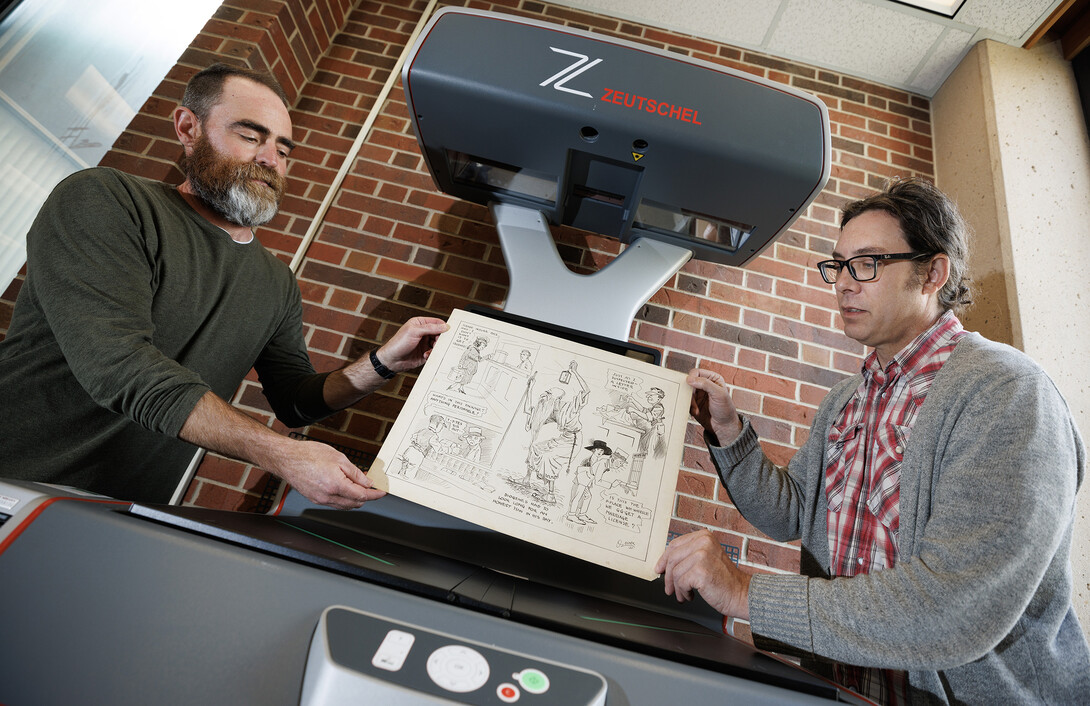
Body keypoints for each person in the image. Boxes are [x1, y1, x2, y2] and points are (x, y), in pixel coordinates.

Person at [655, 177, 1089, 704]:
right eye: (837, 265)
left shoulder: (1007, 392)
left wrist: (746, 593)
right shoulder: (846, 398)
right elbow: (790, 513)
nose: (843, 283)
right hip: (847, 689)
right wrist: (727, 430)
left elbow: (954, 608)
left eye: (867, 264)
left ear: (933, 272)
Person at [0, 63, 448, 509]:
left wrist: (382, 363)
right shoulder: (107, 199)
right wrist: (283, 455)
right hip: (13, 485)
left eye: (283, 149)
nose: (270, 159)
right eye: (251, 137)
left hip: (118, 515)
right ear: (188, 128)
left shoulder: (276, 283)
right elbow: (117, 365)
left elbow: (294, 401)